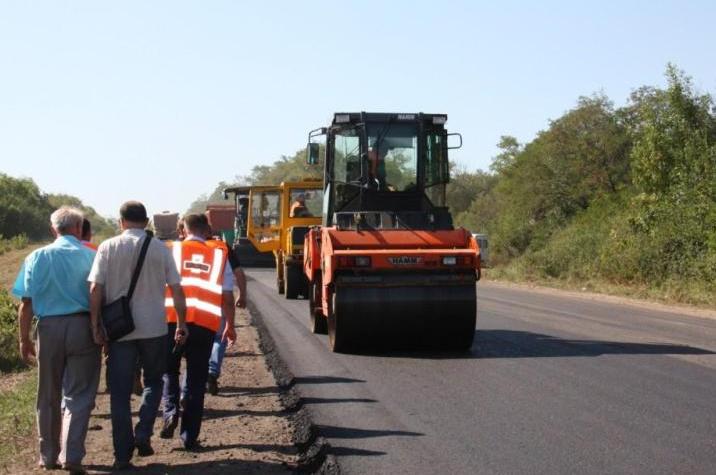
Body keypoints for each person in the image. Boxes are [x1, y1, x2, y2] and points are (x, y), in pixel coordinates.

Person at [88, 201, 188, 470]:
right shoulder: (160, 249)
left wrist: (96, 324)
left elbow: (95, 288)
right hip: (154, 328)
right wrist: (181, 323)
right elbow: (177, 289)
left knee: (119, 393)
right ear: (146, 222)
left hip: (119, 331)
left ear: (120, 222)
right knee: (154, 380)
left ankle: (122, 456)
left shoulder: (107, 247)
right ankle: (143, 432)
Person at [12, 207, 100, 474]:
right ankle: (71, 454)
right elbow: (98, 294)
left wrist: (23, 339)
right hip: (82, 326)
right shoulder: (91, 256)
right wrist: (99, 328)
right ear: (78, 227)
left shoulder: (36, 256)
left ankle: (47, 455)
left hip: (47, 328)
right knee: (79, 394)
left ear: (54, 229)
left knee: (48, 394)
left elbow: (25, 304)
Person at [160, 214, 236, 450]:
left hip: (171, 321)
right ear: (208, 229)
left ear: (183, 229)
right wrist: (230, 325)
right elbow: (226, 295)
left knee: (169, 371)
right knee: (195, 379)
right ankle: (189, 437)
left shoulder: (170, 250)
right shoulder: (219, 254)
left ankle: (170, 410)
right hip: (204, 325)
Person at [204, 218, 247, 396]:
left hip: (194, 303)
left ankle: (191, 384)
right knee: (219, 338)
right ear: (208, 230)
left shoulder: (184, 248)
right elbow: (238, 272)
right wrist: (243, 294)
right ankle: (212, 372)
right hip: (220, 299)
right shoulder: (222, 247)